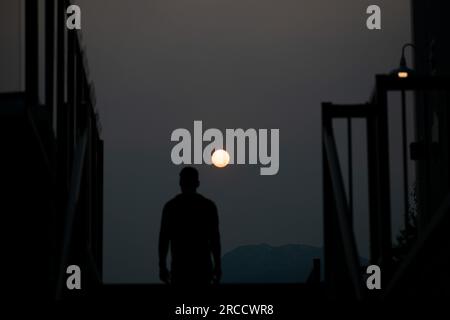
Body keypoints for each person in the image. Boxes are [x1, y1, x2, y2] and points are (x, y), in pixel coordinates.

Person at [158, 167, 221, 285]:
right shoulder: (208, 206)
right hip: (202, 269)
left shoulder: (171, 207)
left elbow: (164, 239)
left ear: (180, 183)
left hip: (180, 269)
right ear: (197, 183)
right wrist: (217, 266)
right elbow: (214, 240)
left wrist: (162, 266)